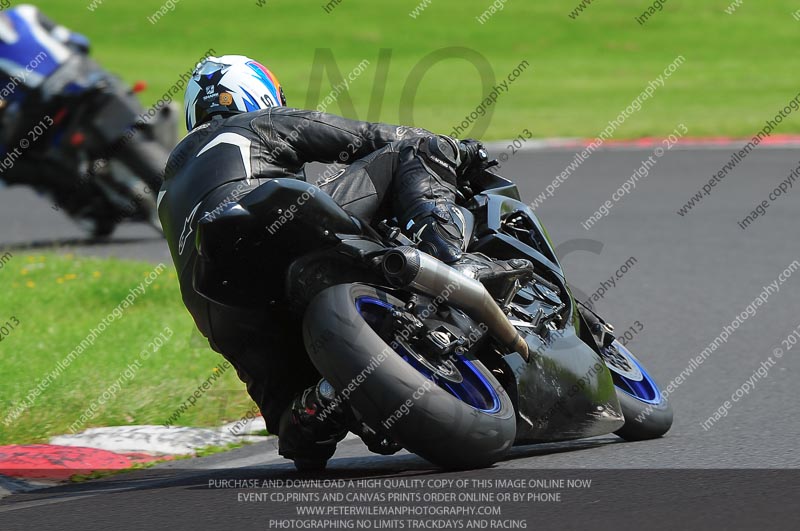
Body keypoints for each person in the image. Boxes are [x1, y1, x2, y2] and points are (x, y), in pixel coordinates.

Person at [158, 54, 489, 469]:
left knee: (293, 429)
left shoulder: (167, 187)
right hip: (278, 225)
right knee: (418, 150)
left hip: (219, 304)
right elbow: (369, 136)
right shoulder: (255, 123)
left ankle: (322, 403)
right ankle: (456, 263)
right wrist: (456, 149)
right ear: (256, 92)